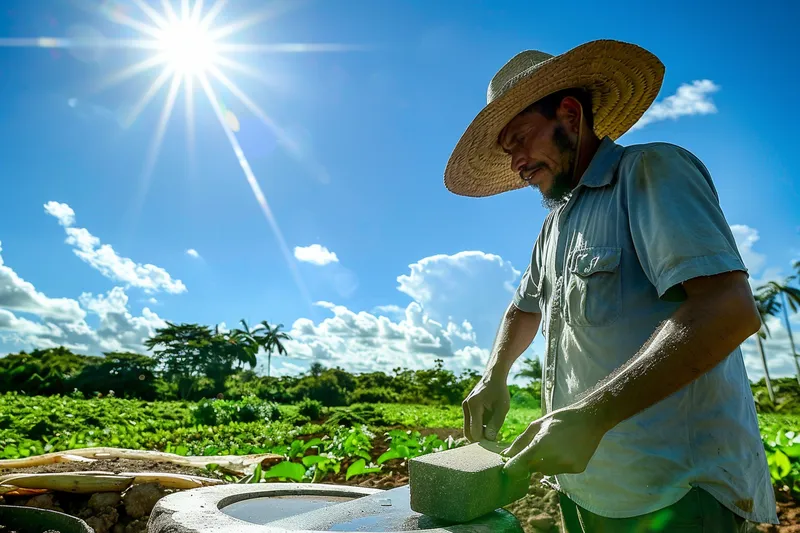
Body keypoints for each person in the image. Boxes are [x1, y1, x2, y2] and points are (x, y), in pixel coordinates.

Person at [447, 40, 778, 532]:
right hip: (584, 489)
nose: (516, 163)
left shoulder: (650, 171)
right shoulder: (555, 225)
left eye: (520, 138)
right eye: (507, 151)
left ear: (570, 114)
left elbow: (728, 308)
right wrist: (495, 374)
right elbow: (524, 308)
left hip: (677, 494)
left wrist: (593, 416)